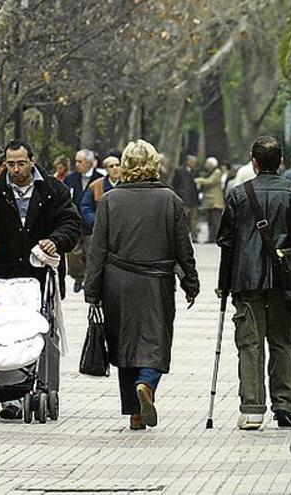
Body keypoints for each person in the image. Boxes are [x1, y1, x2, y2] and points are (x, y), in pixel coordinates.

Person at [85, 139, 199, 430]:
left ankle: (135, 414)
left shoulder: (110, 200)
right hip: (156, 282)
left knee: (124, 343)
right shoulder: (170, 199)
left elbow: (97, 249)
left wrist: (92, 289)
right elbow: (182, 246)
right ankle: (147, 384)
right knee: (156, 340)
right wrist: (190, 282)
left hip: (117, 283)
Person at [216, 136, 291, 431]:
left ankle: (252, 409)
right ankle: (284, 406)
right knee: (283, 342)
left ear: (254, 162)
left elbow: (226, 242)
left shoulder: (238, 195)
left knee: (249, 343)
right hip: (287, 280)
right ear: (281, 162)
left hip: (246, 280)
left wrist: (224, 285)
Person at [0, 139, 80, 419]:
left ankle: (44, 388)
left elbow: (71, 224)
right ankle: (8, 394)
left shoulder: (53, 191)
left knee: (42, 330)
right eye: (10, 164)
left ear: (32, 161)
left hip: (40, 276)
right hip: (3, 275)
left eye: (21, 163)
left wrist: (55, 241)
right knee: (2, 330)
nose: (16, 169)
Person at [64, 149, 103, 292]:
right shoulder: (71, 179)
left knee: (90, 252)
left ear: (90, 163)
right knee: (73, 254)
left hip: (92, 222)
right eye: (76, 161)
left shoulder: (99, 179)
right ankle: (77, 276)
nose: (77, 164)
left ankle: (88, 279)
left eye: (80, 161)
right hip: (74, 222)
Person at [81, 153, 122, 229]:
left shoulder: (127, 184)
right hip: (101, 228)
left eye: (117, 165)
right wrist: (96, 222)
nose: (115, 168)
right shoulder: (95, 185)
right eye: (111, 166)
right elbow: (86, 207)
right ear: (106, 169)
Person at [194, 157, 225, 243]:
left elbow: (210, 181)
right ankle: (211, 237)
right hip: (209, 201)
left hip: (215, 201)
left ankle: (217, 237)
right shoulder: (210, 172)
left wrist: (199, 180)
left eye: (207, 164)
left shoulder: (217, 172)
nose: (206, 166)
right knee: (210, 221)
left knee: (216, 221)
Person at [172, 155, 200, 240]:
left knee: (194, 218)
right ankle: (184, 236)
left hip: (193, 198)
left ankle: (194, 236)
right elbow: (175, 183)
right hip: (183, 197)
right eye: (192, 162)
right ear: (187, 161)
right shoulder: (179, 170)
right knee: (184, 218)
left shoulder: (195, 171)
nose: (193, 164)